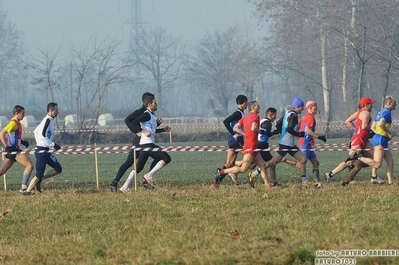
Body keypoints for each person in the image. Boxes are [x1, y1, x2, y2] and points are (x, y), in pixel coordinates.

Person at [110, 92, 162, 192]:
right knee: (129, 163)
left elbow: (150, 129)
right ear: (148, 102)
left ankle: (144, 182)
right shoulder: (142, 111)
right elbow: (128, 120)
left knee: (142, 165)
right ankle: (115, 183)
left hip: (146, 140)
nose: (155, 103)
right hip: (139, 142)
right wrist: (137, 131)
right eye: (153, 100)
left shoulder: (151, 113)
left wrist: (158, 125)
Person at [214, 101, 272, 189]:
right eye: (258, 106)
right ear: (253, 108)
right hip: (251, 145)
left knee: (262, 166)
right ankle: (222, 171)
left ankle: (268, 186)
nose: (259, 107)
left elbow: (236, 128)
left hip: (252, 145)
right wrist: (260, 131)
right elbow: (253, 128)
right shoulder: (256, 116)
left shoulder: (245, 117)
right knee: (243, 169)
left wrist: (245, 134)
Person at [251, 97, 308, 186]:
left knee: (303, 159)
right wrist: (299, 134)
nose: (303, 109)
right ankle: (254, 174)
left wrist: (282, 132)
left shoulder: (287, 113)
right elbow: (289, 129)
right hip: (285, 144)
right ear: (297, 106)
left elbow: (278, 124)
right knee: (273, 163)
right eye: (301, 107)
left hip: (290, 144)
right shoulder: (294, 116)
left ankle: (305, 181)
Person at [246, 107, 298, 188]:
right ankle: (252, 175)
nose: (275, 117)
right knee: (269, 164)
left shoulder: (262, 121)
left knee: (252, 165)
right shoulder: (268, 123)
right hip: (262, 145)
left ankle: (273, 182)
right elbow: (267, 134)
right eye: (274, 115)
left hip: (260, 144)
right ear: (270, 115)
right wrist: (275, 132)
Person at [128, 94, 172, 189]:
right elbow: (133, 123)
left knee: (138, 168)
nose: (156, 104)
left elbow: (151, 130)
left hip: (146, 144)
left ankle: (124, 187)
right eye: (154, 102)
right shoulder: (146, 114)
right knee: (167, 158)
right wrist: (142, 131)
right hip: (147, 144)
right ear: (149, 104)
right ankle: (149, 176)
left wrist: (163, 129)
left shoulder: (152, 115)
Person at [23, 102, 62, 195]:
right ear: (51, 110)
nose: (58, 112)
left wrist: (49, 145)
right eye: (56, 110)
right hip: (41, 151)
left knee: (58, 169)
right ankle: (27, 191)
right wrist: (53, 144)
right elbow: (41, 134)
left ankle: (40, 180)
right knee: (39, 173)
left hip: (46, 151)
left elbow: (36, 131)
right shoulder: (47, 120)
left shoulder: (50, 120)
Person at [212, 94, 248, 187]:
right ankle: (233, 173)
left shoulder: (240, 112)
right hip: (237, 141)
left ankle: (216, 183)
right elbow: (226, 121)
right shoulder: (238, 113)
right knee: (251, 157)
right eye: (246, 102)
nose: (246, 104)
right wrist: (234, 134)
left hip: (233, 141)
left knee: (229, 163)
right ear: (242, 103)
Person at [0, 105, 33, 192]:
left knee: (1, 171)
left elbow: (14, 137)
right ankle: (24, 188)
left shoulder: (18, 123)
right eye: (22, 113)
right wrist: (6, 146)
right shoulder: (13, 123)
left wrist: (22, 142)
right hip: (13, 150)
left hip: (14, 150)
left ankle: (24, 187)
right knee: (29, 165)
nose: (24, 115)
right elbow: (2, 133)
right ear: (17, 113)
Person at [296, 101, 327, 188]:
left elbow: (300, 128)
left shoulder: (304, 117)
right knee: (301, 163)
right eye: (314, 107)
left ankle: (318, 183)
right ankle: (304, 182)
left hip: (308, 144)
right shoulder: (310, 117)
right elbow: (307, 130)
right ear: (309, 108)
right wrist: (319, 137)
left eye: (316, 106)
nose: (316, 108)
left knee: (315, 162)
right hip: (304, 144)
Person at [370, 95, 396, 184]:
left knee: (390, 162)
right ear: (389, 103)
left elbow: (373, 127)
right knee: (377, 163)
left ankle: (390, 183)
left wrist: (381, 134)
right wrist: (388, 133)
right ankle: (373, 177)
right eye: (394, 103)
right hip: (380, 140)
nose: (395, 104)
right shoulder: (387, 112)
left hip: (381, 139)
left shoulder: (381, 111)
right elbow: (381, 124)